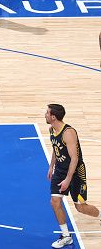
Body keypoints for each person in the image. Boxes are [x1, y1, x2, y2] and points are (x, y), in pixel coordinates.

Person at [46, 104, 101, 249]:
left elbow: (75, 158)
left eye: (47, 113)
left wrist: (68, 179)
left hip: (75, 172)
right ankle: (66, 236)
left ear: (53, 117)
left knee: (80, 207)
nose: (45, 115)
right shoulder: (52, 129)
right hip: (60, 170)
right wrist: (51, 166)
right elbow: (55, 148)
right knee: (55, 202)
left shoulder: (68, 132)